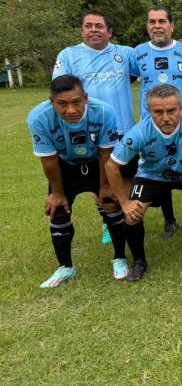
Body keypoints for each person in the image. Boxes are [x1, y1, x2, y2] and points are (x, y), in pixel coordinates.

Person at [106, 84, 182, 282]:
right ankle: (139, 261)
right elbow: (111, 165)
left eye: (171, 110)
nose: (165, 117)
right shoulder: (139, 132)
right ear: (149, 111)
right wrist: (124, 202)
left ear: (181, 108)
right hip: (152, 175)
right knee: (132, 215)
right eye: (158, 112)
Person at [27, 74, 128, 287]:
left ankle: (119, 258)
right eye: (62, 104)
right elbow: (49, 159)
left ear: (86, 98)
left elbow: (105, 153)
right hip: (64, 165)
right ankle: (66, 267)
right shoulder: (39, 117)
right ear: (51, 101)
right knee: (58, 211)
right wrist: (57, 193)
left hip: (96, 162)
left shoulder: (103, 111)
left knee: (110, 203)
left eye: (76, 102)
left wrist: (104, 186)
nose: (70, 110)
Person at [52, 10, 136, 244]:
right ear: (82, 30)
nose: (94, 30)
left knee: (123, 179)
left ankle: (122, 217)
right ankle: (108, 223)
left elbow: (153, 57)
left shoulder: (125, 53)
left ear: (109, 31)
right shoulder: (68, 55)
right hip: (88, 133)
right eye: (88, 26)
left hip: (123, 130)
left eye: (99, 26)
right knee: (98, 181)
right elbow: (59, 89)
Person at [131, 7, 182, 241]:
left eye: (162, 21)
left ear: (171, 26)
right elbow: (127, 77)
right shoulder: (138, 52)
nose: (157, 25)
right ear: (147, 26)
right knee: (158, 170)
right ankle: (169, 220)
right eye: (152, 21)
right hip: (152, 126)